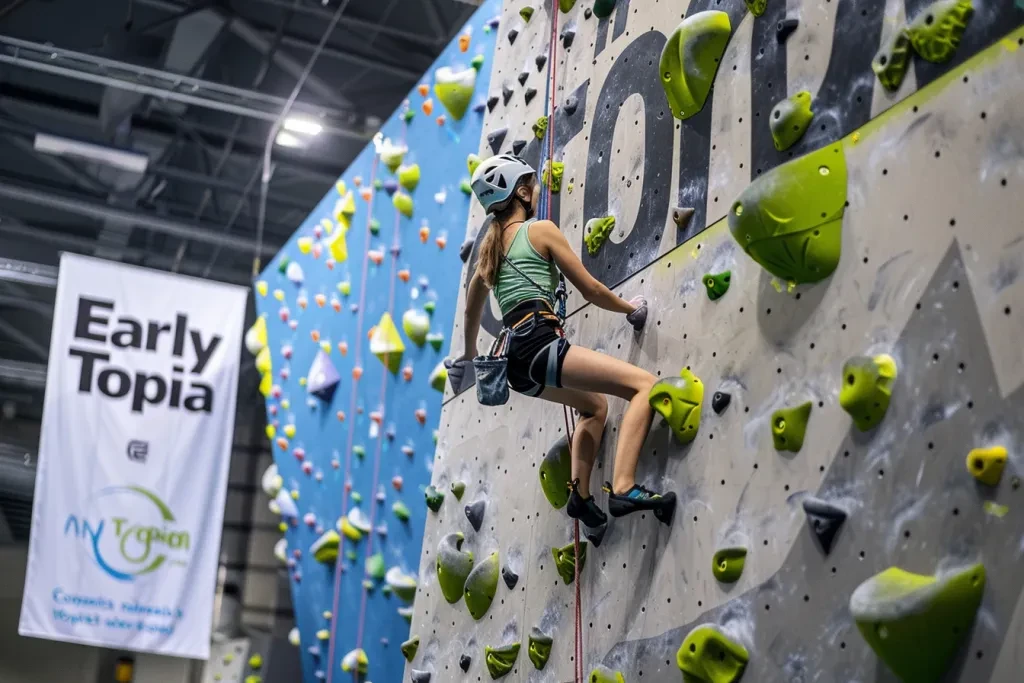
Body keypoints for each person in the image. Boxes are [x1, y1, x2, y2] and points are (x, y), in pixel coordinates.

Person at [449, 154, 676, 527]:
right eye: (533, 185)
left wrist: (472, 355)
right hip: (541, 341)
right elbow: (592, 289)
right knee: (644, 387)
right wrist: (628, 309)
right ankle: (622, 487)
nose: (536, 191)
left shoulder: (488, 258)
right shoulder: (539, 231)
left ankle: (581, 498)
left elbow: (472, 313)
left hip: (517, 367)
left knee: (594, 409)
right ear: (521, 191)